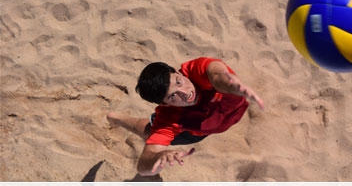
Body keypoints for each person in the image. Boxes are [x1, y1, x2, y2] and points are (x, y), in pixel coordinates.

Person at [107, 57, 264, 176]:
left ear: (177, 72)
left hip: (225, 116)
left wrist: (229, 84)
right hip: (195, 132)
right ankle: (116, 118)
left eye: (179, 82)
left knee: (152, 133)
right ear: (165, 104)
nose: (186, 94)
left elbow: (216, 73)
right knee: (149, 131)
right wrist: (159, 157)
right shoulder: (170, 118)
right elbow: (143, 168)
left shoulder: (196, 70)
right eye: (173, 96)